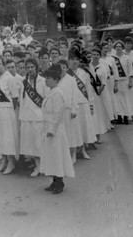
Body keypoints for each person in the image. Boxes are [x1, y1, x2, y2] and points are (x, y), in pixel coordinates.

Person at [40, 64, 75, 195]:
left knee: (57, 156)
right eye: (46, 78)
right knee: (51, 157)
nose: (46, 80)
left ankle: (59, 183)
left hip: (55, 131)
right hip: (48, 128)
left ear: (55, 79)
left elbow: (58, 113)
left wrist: (51, 129)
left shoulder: (58, 93)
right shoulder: (52, 92)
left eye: (48, 78)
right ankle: (54, 181)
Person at [20, 58, 48, 177]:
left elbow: (46, 100)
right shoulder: (24, 81)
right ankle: (37, 165)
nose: (30, 70)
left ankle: (43, 166)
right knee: (31, 143)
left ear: (36, 68)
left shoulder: (43, 81)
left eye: (32, 67)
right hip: (27, 116)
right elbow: (22, 100)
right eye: (28, 68)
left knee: (39, 143)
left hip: (39, 117)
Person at [112, 40, 133, 125]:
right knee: (117, 100)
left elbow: (130, 70)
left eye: (120, 46)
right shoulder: (112, 58)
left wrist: (131, 81)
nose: (118, 48)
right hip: (116, 81)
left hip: (125, 81)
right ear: (115, 48)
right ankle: (119, 117)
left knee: (125, 99)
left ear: (122, 48)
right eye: (116, 47)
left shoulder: (127, 58)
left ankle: (126, 117)